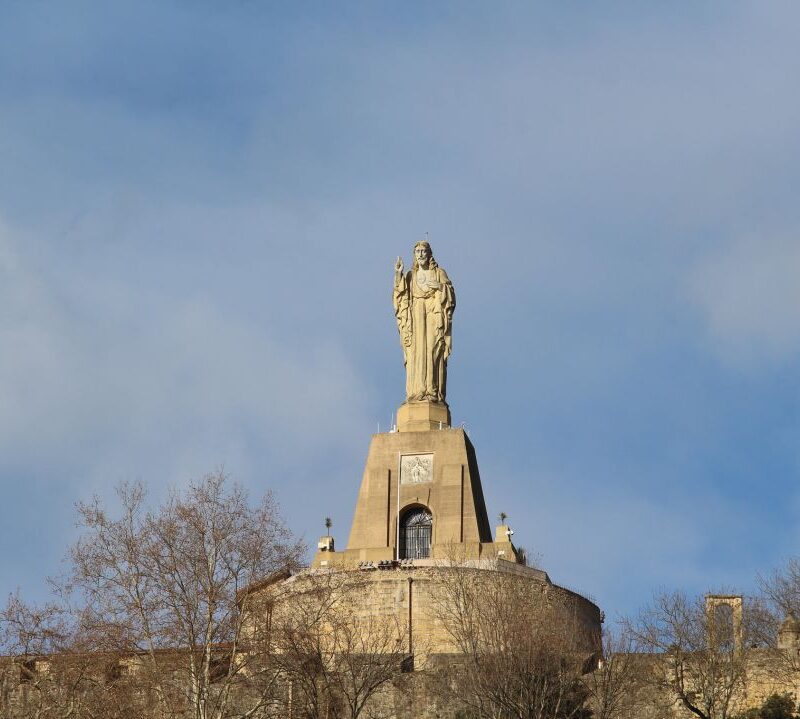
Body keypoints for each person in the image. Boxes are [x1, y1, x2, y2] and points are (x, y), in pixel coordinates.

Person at [393, 241, 455, 403]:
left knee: (433, 350)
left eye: (423, 251)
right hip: (416, 315)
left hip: (434, 314)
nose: (420, 254)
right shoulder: (410, 276)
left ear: (429, 254)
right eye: (417, 251)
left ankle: (432, 391)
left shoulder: (439, 273)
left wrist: (440, 287)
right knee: (417, 351)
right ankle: (416, 391)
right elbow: (400, 298)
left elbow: (450, 296)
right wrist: (399, 274)